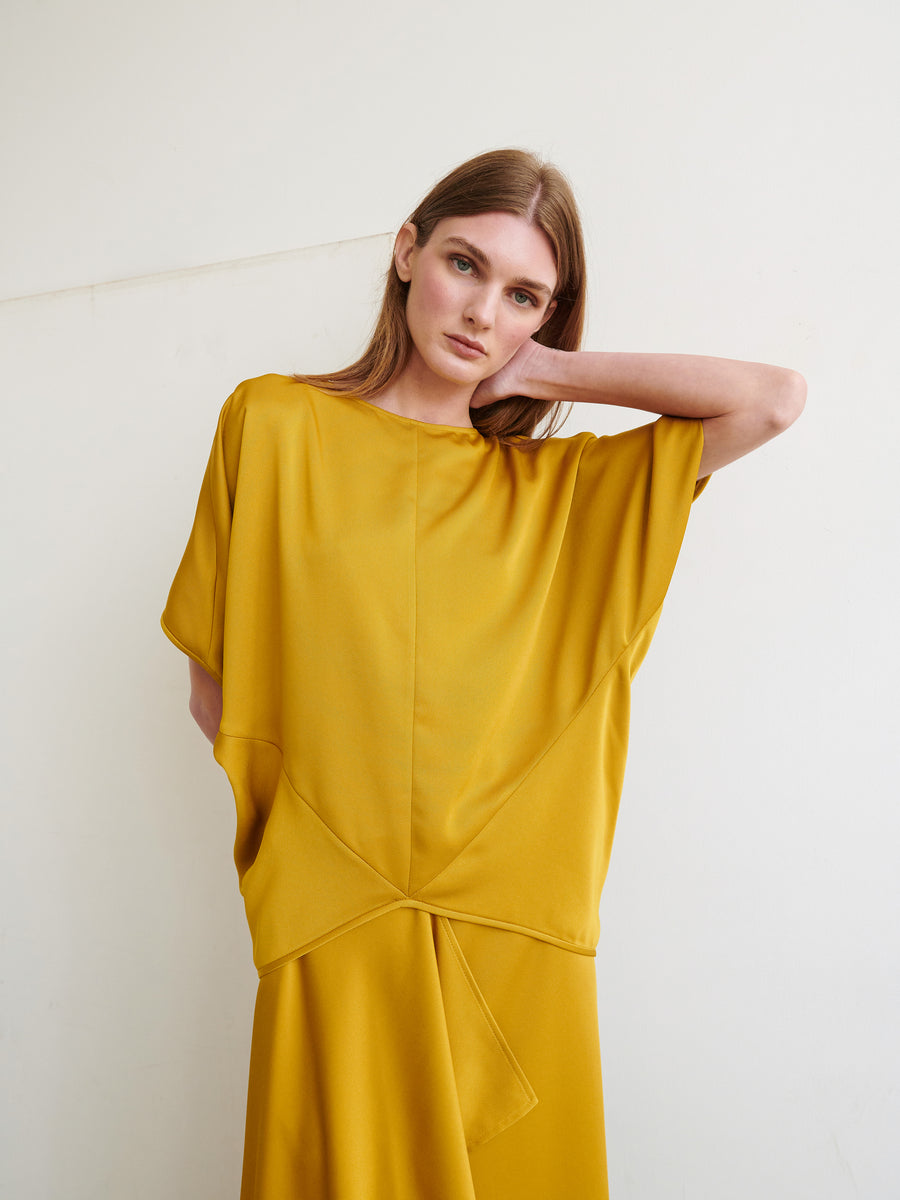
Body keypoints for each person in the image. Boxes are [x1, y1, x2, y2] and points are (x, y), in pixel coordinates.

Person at [162, 148, 805, 1200]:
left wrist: (544, 371)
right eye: (466, 265)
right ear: (408, 251)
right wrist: (326, 856)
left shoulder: (563, 494)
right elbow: (216, 688)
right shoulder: (273, 424)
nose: (482, 313)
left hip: (517, 928)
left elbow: (772, 401)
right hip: (339, 911)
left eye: (524, 297)